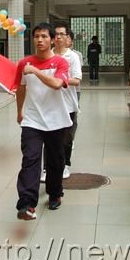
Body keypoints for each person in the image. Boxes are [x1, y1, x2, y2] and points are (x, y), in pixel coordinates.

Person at [15, 22, 72, 220]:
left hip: (56, 120)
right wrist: (19, 111)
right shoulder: (24, 64)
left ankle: (55, 193)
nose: (40, 40)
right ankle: (26, 204)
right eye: (37, 36)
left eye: (44, 36)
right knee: (30, 160)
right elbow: (21, 88)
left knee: (55, 161)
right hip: (32, 120)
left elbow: (57, 84)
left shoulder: (61, 62)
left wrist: (36, 71)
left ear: (52, 40)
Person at [52, 22, 81, 179]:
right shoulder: (48, 54)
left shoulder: (73, 56)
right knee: (50, 138)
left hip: (68, 104)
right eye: (55, 34)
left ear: (67, 37)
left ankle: (65, 165)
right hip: (50, 104)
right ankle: (48, 167)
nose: (58, 37)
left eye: (61, 34)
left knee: (66, 138)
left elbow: (76, 80)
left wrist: (59, 80)